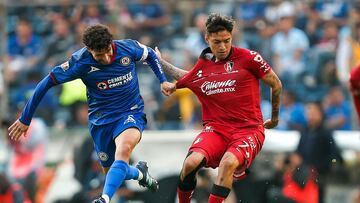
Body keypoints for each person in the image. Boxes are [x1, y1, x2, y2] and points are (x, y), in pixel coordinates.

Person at [8, 24, 176, 203]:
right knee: (113, 171)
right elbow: (46, 83)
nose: (104, 58)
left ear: (111, 43)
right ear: (89, 49)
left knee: (124, 149)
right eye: (98, 55)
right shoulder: (80, 62)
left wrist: (163, 80)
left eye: (107, 51)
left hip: (130, 112)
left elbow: (149, 54)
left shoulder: (128, 48)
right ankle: (139, 173)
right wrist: (26, 118)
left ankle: (104, 199)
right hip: (101, 121)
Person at [155, 13, 282, 203]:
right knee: (190, 163)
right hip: (216, 129)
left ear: (232, 37)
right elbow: (188, 76)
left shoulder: (249, 58)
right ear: (207, 39)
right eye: (216, 42)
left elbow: (276, 84)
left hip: (248, 130)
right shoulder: (204, 63)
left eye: (226, 41)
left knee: (228, 162)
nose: (222, 47)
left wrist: (275, 118)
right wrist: (162, 64)